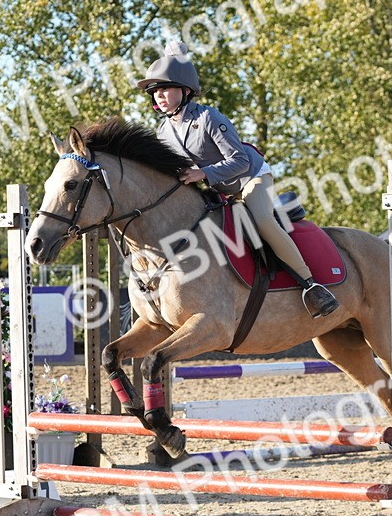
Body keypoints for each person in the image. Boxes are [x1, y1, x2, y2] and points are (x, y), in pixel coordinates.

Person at [136, 42, 339, 318]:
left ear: (185, 91)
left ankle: (311, 285)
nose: (159, 95)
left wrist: (203, 173)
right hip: (220, 191)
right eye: (155, 91)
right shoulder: (163, 131)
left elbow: (240, 161)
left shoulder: (208, 117)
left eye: (165, 89)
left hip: (250, 178)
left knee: (262, 220)